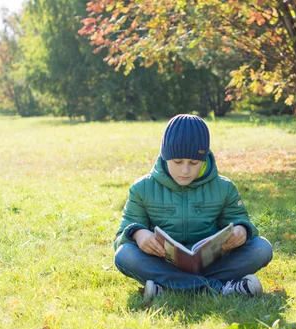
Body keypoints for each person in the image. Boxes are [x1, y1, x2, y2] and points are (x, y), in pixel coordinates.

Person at [113, 114, 273, 300]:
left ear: (204, 159)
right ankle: (221, 288)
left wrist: (242, 230)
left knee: (262, 248)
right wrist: (138, 234)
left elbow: (241, 221)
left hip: (213, 263)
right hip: (162, 263)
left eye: (194, 163)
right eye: (178, 162)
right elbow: (121, 238)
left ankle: (169, 287)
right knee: (124, 255)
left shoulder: (225, 187)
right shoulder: (141, 188)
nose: (185, 170)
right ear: (165, 157)